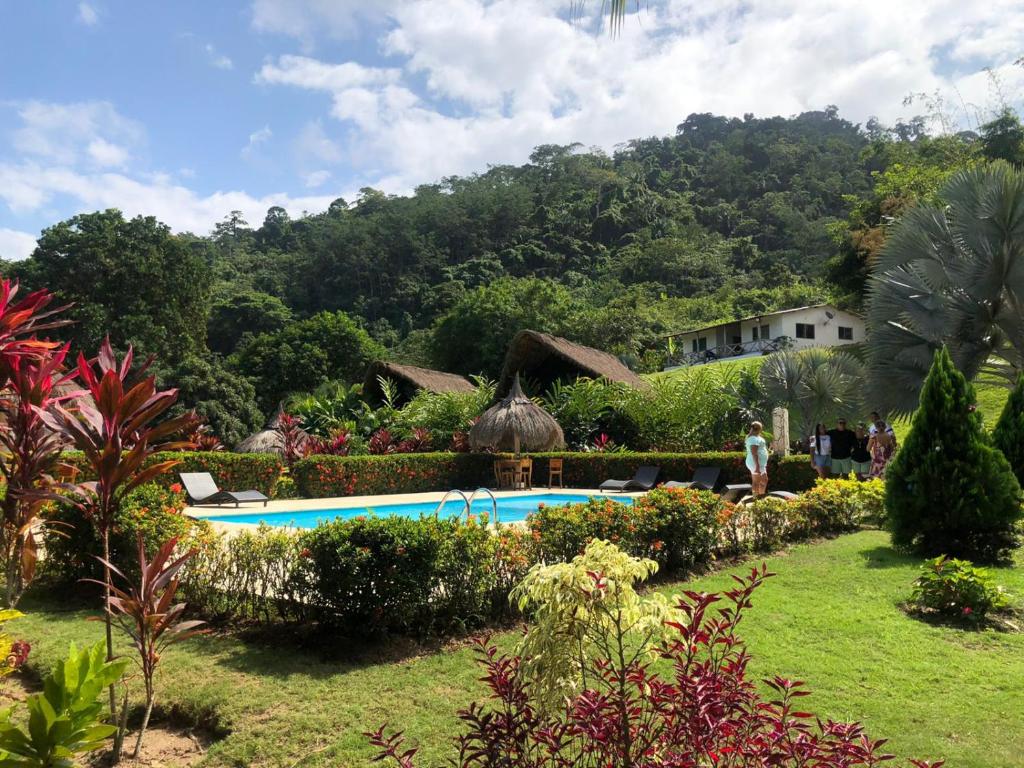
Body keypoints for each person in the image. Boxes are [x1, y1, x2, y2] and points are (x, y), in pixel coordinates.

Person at [745, 421, 769, 497]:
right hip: (755, 463)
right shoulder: (752, 438)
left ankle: (761, 497)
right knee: (756, 482)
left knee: (764, 480)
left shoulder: (757, 437)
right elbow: (754, 453)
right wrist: (757, 466)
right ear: (759, 429)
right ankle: (756, 499)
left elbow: (760, 450)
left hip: (760, 464)